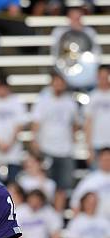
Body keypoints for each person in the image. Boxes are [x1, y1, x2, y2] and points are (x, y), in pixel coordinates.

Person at [31, 71, 78, 211]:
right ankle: (47, 214)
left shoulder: (70, 102)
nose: (58, 84)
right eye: (55, 81)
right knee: (46, 186)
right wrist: (35, 141)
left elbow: (75, 123)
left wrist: (73, 139)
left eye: (60, 81)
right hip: (47, 149)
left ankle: (57, 217)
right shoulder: (43, 100)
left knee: (62, 187)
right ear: (51, 83)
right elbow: (36, 123)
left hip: (65, 150)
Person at [70, 148, 110, 220]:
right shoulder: (90, 180)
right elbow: (75, 202)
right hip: (97, 224)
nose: (107, 162)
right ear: (99, 160)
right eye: (105, 159)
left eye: (109, 160)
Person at [84, 66, 110, 166]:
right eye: (101, 77)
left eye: (106, 76)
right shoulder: (92, 97)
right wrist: (89, 148)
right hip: (97, 144)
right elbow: (88, 123)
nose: (103, 80)